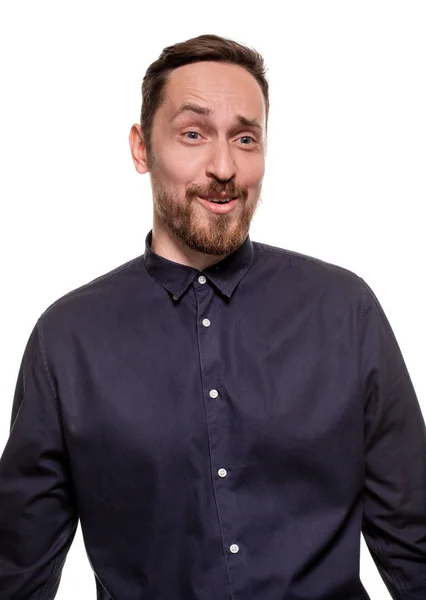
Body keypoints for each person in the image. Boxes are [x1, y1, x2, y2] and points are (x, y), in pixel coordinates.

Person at [0, 33, 424, 600]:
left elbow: (415, 542)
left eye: (245, 138)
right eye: (193, 134)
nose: (224, 167)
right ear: (141, 148)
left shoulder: (345, 310)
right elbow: (17, 572)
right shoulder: (68, 340)